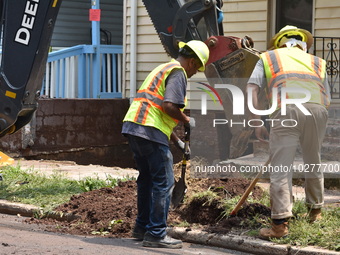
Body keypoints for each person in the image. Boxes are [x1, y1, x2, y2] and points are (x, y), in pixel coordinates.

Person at [122, 40, 209, 248]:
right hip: (149, 130)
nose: (195, 72)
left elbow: (156, 110)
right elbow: (168, 106)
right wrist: (186, 120)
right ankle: (157, 234)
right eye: (197, 67)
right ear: (191, 61)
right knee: (164, 182)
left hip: (134, 126)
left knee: (146, 180)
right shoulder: (179, 72)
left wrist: (178, 141)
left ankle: (141, 227)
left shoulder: (163, 68)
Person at [246, 25, 331, 239]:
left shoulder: (269, 57)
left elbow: (252, 88)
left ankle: (280, 225)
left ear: (280, 43)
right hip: (317, 110)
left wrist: (257, 122)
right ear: (302, 43)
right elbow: (327, 97)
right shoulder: (317, 62)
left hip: (287, 109)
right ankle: (315, 213)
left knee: (281, 167)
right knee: (314, 159)